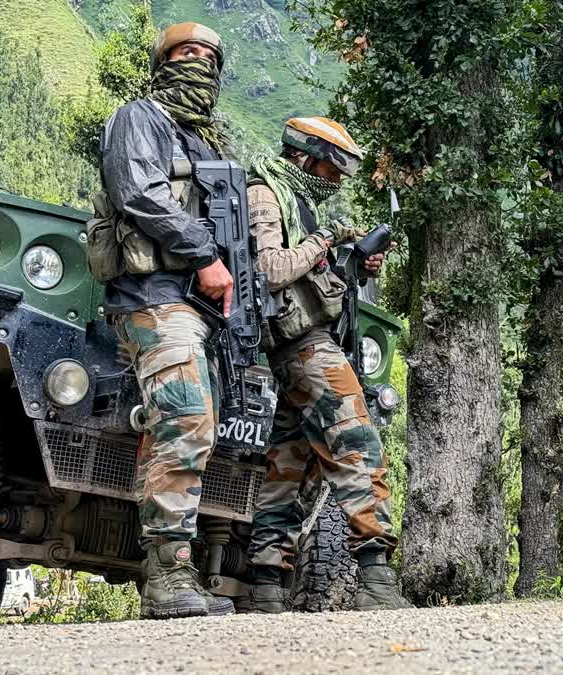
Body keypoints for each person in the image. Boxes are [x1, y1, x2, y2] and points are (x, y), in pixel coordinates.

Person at [244, 117, 411, 613]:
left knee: (288, 465)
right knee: (357, 444)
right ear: (305, 155)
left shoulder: (299, 201)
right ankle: (376, 580)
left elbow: (314, 282)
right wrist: (326, 240)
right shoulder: (264, 193)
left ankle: (266, 585)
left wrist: (353, 262)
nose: (336, 180)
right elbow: (269, 270)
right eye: (333, 168)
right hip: (302, 347)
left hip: (304, 343)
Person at [99, 21, 235, 620]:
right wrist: (205, 253)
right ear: (163, 61)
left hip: (197, 305)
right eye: (187, 52)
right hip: (152, 294)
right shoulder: (139, 118)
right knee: (185, 416)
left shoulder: (205, 144)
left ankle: (171, 573)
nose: (199, 63)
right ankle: (168, 577)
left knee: (181, 425)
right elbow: (138, 192)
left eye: (209, 56)